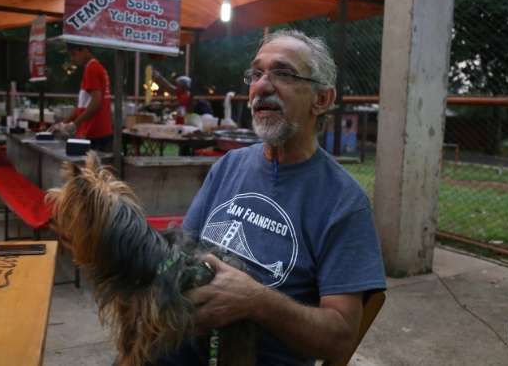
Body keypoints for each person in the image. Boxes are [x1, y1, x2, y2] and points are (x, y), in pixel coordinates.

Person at [160, 30, 386, 365]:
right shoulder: (228, 166)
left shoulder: (344, 202)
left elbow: (340, 339)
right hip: (182, 346)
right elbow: (182, 254)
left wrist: (256, 301)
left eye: (282, 73)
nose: (262, 86)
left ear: (321, 100)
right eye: (256, 73)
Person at [56, 44, 112, 151]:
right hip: (99, 131)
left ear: (85, 50)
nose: (73, 59)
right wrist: (64, 123)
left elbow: (96, 102)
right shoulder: (95, 67)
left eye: (74, 54)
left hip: (94, 131)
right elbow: (82, 106)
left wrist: (75, 124)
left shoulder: (92, 68)